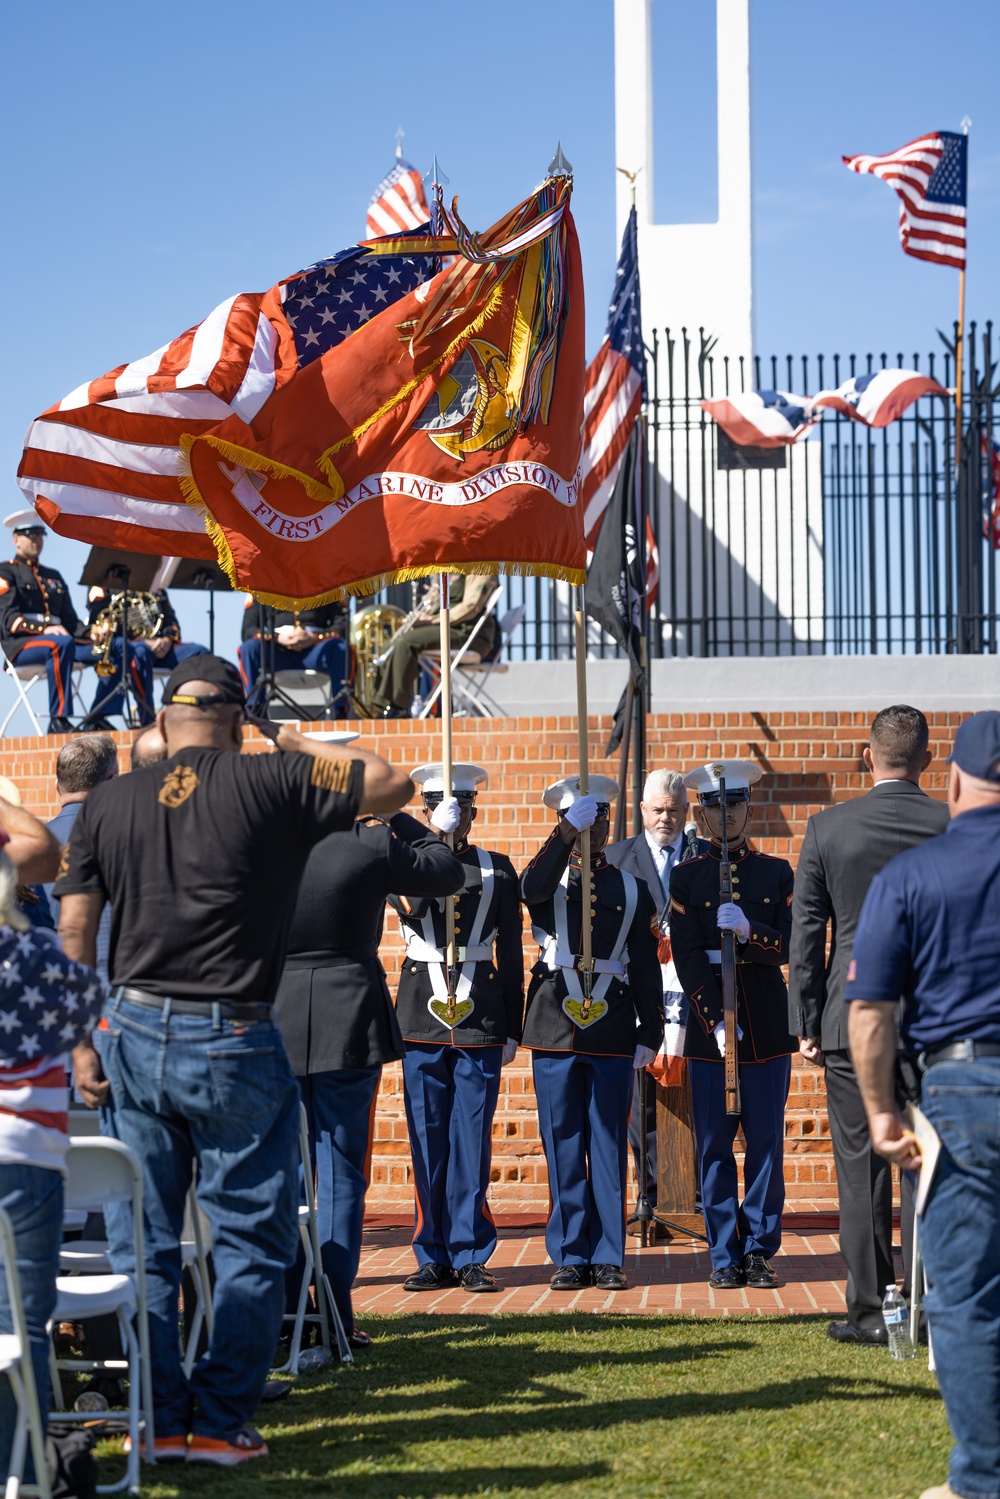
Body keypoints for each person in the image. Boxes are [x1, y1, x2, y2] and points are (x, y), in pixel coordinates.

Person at [55, 655, 411, 1466]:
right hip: (234, 1033)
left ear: (158, 717)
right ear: (238, 718)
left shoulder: (107, 801)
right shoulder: (271, 780)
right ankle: (216, 1419)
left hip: (130, 1032)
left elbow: (75, 931)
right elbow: (388, 782)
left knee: (139, 1243)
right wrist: (285, 736)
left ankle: (159, 1416)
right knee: (251, 1238)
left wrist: (80, 1039)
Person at [847, 711, 1000, 1499]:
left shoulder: (913, 875)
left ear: (951, 781)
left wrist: (881, 1114)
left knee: (968, 1294)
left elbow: (869, 1011)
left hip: (964, 1088)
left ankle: (982, 1479)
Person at [275, 765, 463, 1337]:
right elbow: (446, 870)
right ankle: (333, 1309)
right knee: (338, 1173)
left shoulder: (264, 841)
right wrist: (403, 819)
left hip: (274, 1016)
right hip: (347, 1017)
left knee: (284, 1171)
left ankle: (286, 1310)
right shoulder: (370, 840)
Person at [789, 704, 947, 1346]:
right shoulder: (952, 825)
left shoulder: (829, 827)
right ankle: (925, 1311)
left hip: (849, 1017)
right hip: (934, 1018)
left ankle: (867, 1315)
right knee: (925, 1164)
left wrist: (804, 1018)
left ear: (866, 757)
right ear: (927, 762)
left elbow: (808, 933)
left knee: (859, 1171)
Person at [521, 776, 662, 1291]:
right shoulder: (550, 881)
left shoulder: (633, 887)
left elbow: (645, 966)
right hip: (555, 1022)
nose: (596, 825)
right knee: (561, 1141)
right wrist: (562, 836)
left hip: (612, 1026)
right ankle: (569, 1252)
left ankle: (606, 1254)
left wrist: (651, 1030)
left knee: (605, 1142)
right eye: (585, 816)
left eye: (601, 816)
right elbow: (529, 889)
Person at [389, 764, 523, 1293]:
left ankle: (470, 1251)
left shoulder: (498, 868)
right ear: (425, 811)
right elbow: (414, 906)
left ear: (475, 810)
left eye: (464, 807)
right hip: (422, 1013)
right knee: (427, 1138)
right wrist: (434, 843)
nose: (457, 815)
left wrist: (511, 1023)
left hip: (480, 1015)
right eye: (444, 808)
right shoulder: (401, 865)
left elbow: (511, 950)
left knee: (472, 1139)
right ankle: (431, 1252)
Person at [670, 760, 796, 1290]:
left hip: (765, 1027)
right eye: (717, 805)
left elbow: (791, 946)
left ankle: (760, 1250)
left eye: (736, 804)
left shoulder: (776, 873)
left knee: (766, 1143)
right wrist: (714, 1022)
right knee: (715, 1146)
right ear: (702, 810)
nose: (727, 814)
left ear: (749, 808)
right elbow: (685, 956)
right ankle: (725, 1254)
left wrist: (751, 931)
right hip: (710, 1033)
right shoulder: (686, 876)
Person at [0, 797, 91, 1485]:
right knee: (21, 1324)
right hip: (24, 1152)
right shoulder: (31, 949)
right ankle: (21, 1468)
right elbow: (39, 845)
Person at [607, 768, 707, 1233]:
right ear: (642, 810)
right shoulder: (615, 858)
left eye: (674, 809)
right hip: (638, 996)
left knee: (698, 1098)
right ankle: (650, 1198)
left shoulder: (704, 855)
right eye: (657, 809)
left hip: (695, 999)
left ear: (686, 811)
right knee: (640, 1104)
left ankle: (696, 1198)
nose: (665, 817)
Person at [42, 733, 119, 980]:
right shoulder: (137, 836)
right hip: (124, 998)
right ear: (112, 781)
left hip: (55, 996)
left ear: (57, 786)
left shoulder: (28, 848)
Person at [370, 575, 499, 718]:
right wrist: (432, 604)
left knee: (405, 642)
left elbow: (471, 606)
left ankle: (397, 706)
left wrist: (432, 619)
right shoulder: (452, 570)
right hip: (449, 629)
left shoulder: (480, 568)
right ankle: (381, 703)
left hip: (467, 633)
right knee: (391, 643)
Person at [86, 586, 209, 712]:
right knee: (141, 651)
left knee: (200, 653)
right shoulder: (105, 585)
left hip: (161, 649)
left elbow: (170, 621)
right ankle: (147, 719)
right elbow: (100, 624)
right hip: (131, 650)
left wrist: (167, 640)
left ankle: (193, 710)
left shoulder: (157, 589)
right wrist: (144, 642)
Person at [239, 597, 350, 717]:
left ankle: (341, 712)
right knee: (249, 648)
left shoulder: (326, 581)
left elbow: (342, 624)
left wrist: (315, 637)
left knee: (341, 647)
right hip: (277, 652)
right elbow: (248, 630)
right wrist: (277, 637)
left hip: (315, 651)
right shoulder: (262, 585)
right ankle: (256, 712)